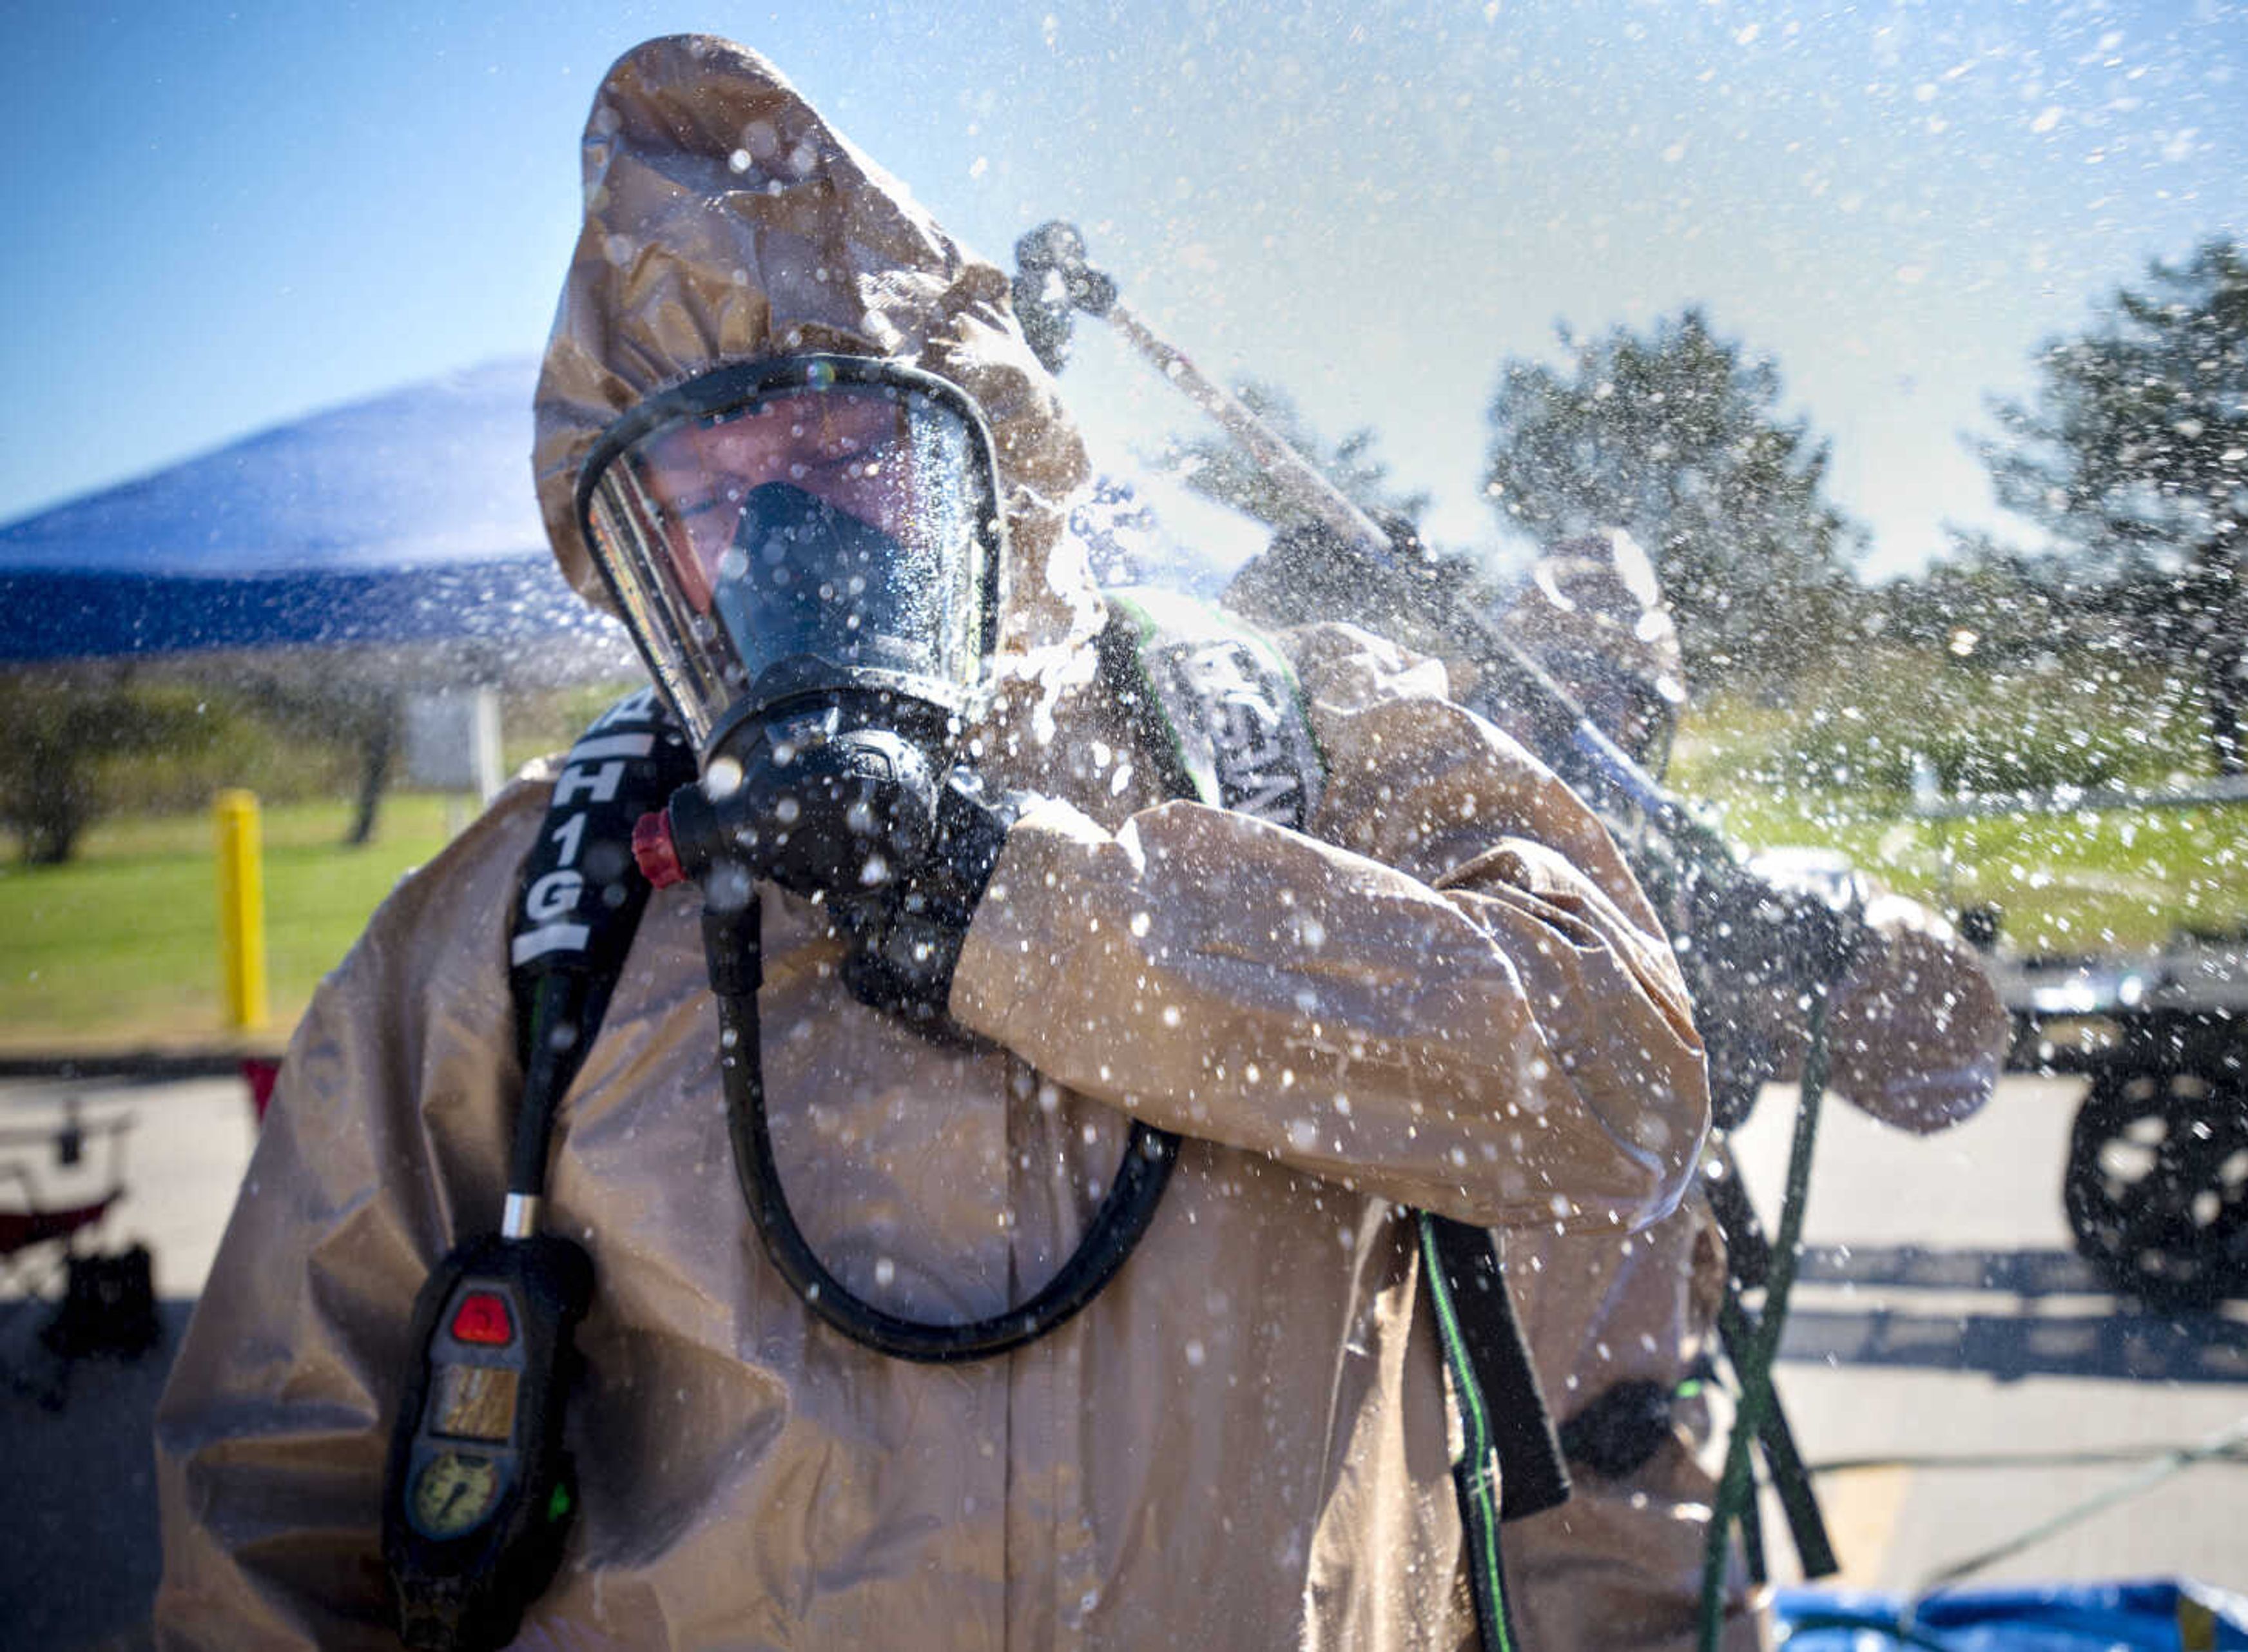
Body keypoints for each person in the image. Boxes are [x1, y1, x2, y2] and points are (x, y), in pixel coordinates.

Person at [152, 34, 1708, 1651]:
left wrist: (1011, 898)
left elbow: (1618, 1087)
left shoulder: (1289, 742)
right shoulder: (536, 908)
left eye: (832, 458)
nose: (785, 534)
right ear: (641, 544)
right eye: (714, 492)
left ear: (985, 460)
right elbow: (269, 1505)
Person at [1220, 522, 2008, 1648]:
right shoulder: (1406, 886)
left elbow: (1948, 1064)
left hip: (1629, 1519)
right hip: (1400, 1516)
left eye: (1621, 704)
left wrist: (1844, 929)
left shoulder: (1696, 919)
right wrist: (1285, 598)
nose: (1586, 735)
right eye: (1554, 696)